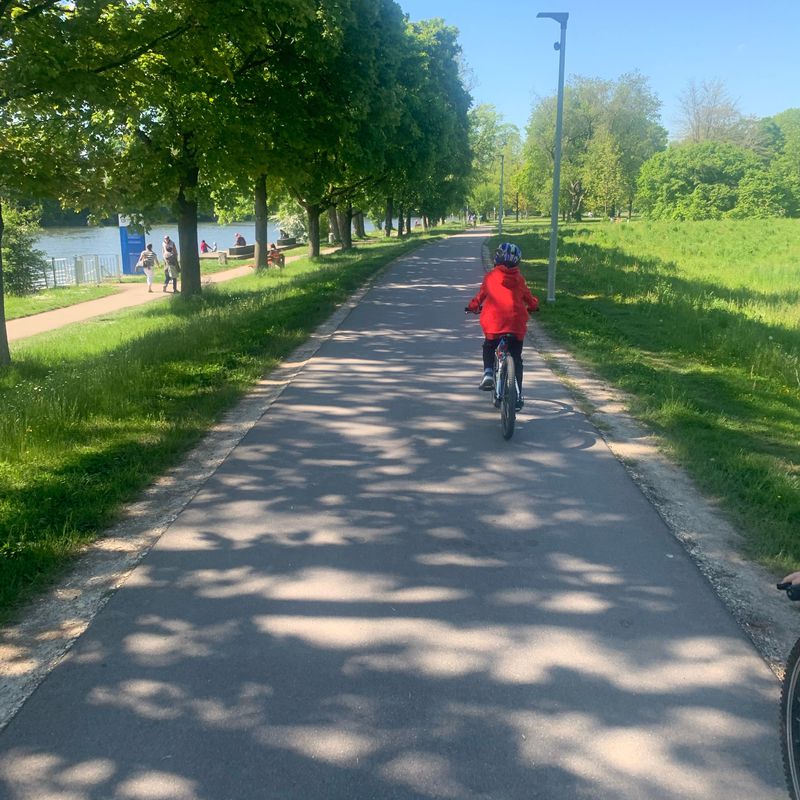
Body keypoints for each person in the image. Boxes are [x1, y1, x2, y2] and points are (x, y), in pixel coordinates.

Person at [466, 242, 539, 410]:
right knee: (517, 359)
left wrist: (472, 307)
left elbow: (479, 297)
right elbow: (529, 299)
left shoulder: (491, 277)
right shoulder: (519, 280)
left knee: (489, 346)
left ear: (497, 259)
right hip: (516, 325)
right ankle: (517, 396)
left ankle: (488, 373)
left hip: (495, 325)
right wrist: (534, 306)